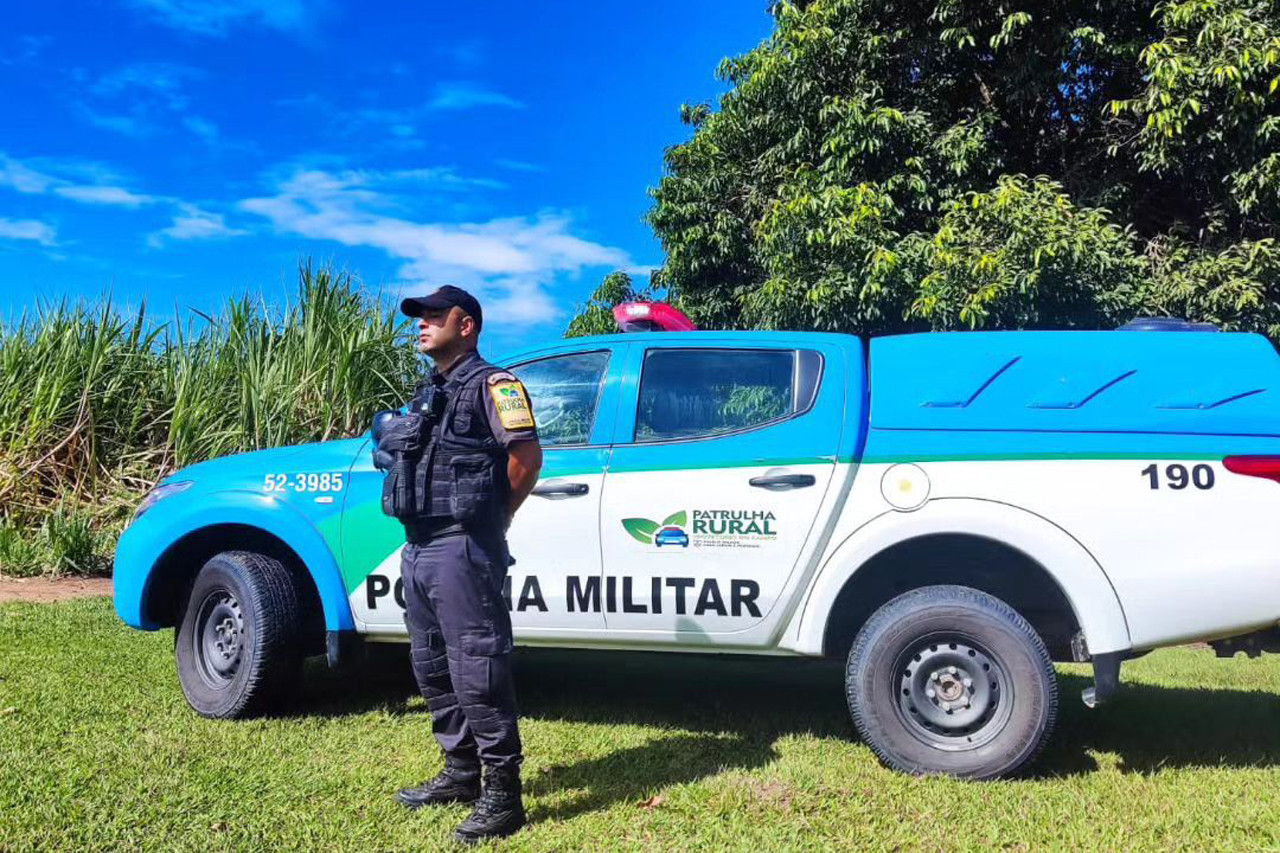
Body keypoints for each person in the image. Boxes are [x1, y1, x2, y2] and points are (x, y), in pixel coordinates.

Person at [384, 285, 543, 844]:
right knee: (431, 664)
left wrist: (495, 518)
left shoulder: (495, 385)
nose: (422, 324)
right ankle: (461, 772)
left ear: (467, 324)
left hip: (462, 544)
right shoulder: (427, 393)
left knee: (478, 665)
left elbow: (527, 456)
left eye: (433, 316)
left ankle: (503, 794)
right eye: (419, 317)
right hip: (418, 545)